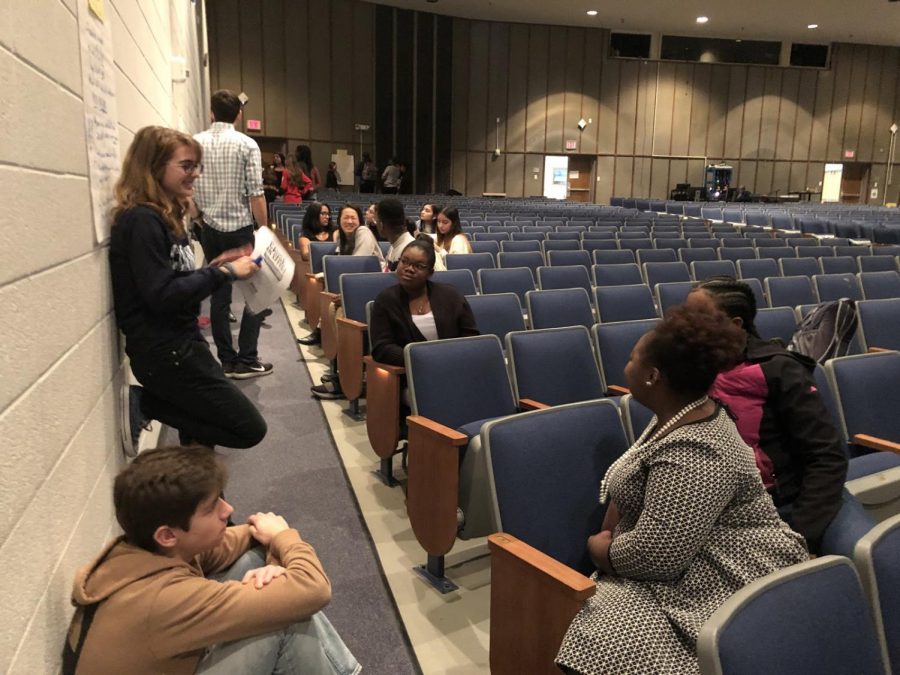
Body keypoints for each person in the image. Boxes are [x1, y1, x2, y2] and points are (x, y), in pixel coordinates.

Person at [556, 303, 808, 675]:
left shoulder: (697, 451)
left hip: (725, 569)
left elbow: (655, 557)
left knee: (608, 638)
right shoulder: (682, 413)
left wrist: (601, 550)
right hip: (689, 549)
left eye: (631, 359)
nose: (625, 366)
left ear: (652, 376)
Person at [64, 445, 359, 675]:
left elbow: (252, 535)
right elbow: (314, 589)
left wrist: (273, 561)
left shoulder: (148, 550)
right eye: (211, 508)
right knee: (287, 620)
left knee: (256, 562)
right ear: (167, 535)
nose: (228, 510)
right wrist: (285, 538)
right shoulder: (165, 599)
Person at [109, 125, 266, 450]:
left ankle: (207, 502)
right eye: (186, 166)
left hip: (182, 343)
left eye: (197, 166)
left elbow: (168, 281)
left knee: (199, 446)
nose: (195, 174)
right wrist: (224, 274)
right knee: (249, 429)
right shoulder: (141, 221)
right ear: (154, 166)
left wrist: (216, 266)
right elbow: (161, 295)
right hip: (166, 353)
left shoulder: (163, 217)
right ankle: (146, 404)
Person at [685, 277, 849, 552]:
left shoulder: (778, 369)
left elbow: (826, 456)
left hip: (787, 505)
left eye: (696, 319)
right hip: (723, 513)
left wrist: (800, 536)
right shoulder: (689, 371)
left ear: (735, 325)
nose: (684, 328)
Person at [193, 89, 273, 380]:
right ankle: (247, 358)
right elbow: (256, 193)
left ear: (212, 112)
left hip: (210, 229)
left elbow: (188, 188)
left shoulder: (195, 143)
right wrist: (264, 229)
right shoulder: (247, 144)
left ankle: (226, 360)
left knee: (219, 297)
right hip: (240, 228)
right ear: (239, 114)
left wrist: (198, 217)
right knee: (257, 293)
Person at [308, 204, 386, 400]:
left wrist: (346, 295)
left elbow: (357, 269)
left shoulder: (364, 232)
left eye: (354, 217)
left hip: (373, 291)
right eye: (345, 218)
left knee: (342, 315)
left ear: (360, 220)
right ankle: (346, 373)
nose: (350, 221)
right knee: (333, 309)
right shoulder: (342, 239)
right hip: (362, 292)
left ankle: (347, 379)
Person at [369, 239, 478, 367]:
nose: (409, 269)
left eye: (419, 266)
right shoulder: (385, 300)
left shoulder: (452, 296)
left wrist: (451, 357)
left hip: (455, 367)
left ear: (430, 273)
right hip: (410, 374)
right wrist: (421, 359)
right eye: (404, 261)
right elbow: (381, 348)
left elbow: (471, 338)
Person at [296, 202, 335, 347]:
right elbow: (306, 255)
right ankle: (319, 332)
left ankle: (319, 332)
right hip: (316, 273)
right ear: (314, 215)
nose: (327, 216)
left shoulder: (334, 231)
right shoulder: (306, 234)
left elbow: (339, 250)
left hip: (332, 271)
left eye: (327, 213)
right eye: (323, 213)